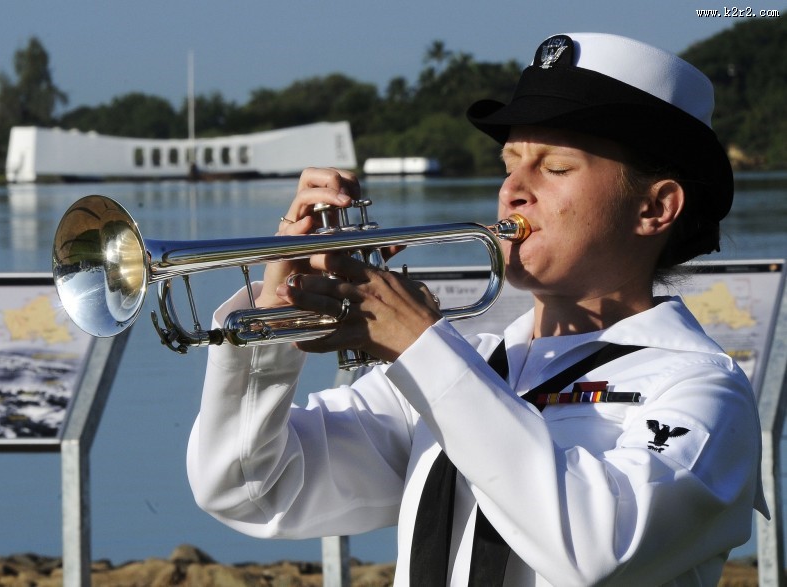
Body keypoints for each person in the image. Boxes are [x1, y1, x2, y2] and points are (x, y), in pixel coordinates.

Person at [186, 32, 768, 586]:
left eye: (556, 167)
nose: (513, 189)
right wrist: (272, 314)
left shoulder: (702, 391)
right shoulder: (470, 366)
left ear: (655, 207)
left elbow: (598, 551)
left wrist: (422, 348)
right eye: (509, 163)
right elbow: (249, 488)